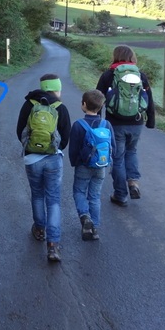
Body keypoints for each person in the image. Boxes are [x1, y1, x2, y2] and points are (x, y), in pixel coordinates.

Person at [16, 73, 71, 262]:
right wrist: (54, 149)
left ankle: (39, 229)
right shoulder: (60, 107)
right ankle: (53, 245)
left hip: (32, 160)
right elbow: (66, 136)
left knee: (37, 194)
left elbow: (19, 130)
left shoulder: (29, 104)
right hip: (53, 159)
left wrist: (31, 148)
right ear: (57, 89)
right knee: (53, 199)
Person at [96, 45, 155, 207]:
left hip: (115, 123)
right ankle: (133, 182)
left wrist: (97, 122)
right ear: (132, 57)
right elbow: (149, 98)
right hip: (136, 122)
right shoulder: (140, 75)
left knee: (117, 158)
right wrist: (151, 120)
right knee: (132, 151)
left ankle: (120, 195)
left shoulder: (109, 75)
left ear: (115, 56)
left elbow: (97, 99)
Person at [68, 89, 116, 241]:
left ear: (83, 105)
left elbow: (74, 148)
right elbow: (112, 145)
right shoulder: (106, 124)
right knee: (94, 196)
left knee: (79, 192)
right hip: (101, 165)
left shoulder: (78, 125)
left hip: (83, 165)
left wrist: (74, 162)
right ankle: (93, 228)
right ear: (101, 106)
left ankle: (84, 216)